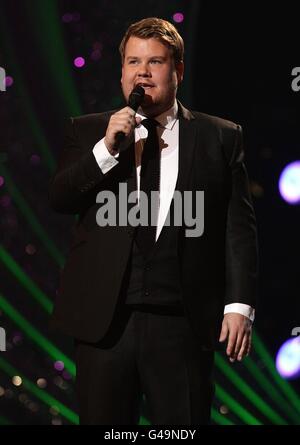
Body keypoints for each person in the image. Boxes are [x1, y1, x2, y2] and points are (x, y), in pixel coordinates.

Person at [49, 17, 258, 425]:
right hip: (104, 326)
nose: (142, 72)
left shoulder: (220, 137)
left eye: (155, 62)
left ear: (178, 70)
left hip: (183, 323)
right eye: (132, 62)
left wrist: (239, 305)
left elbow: (239, 228)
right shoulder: (90, 130)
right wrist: (107, 148)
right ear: (122, 71)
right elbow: (59, 198)